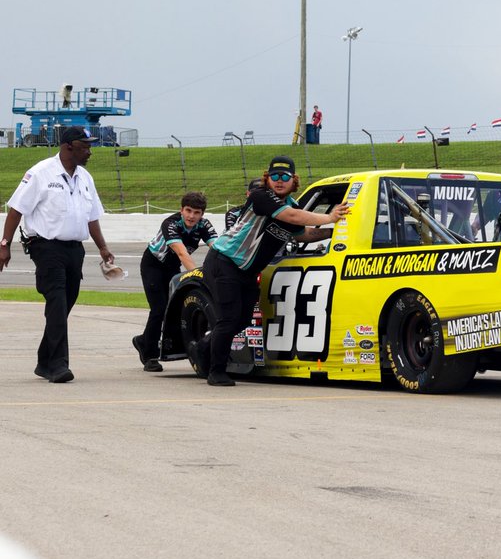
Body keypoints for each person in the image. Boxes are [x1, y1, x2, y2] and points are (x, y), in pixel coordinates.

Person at [199, 155, 349, 387]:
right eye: (274, 176)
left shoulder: (293, 206)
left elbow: (303, 234)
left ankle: (204, 349)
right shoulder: (261, 196)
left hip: (246, 271)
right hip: (224, 261)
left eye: (285, 177)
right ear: (267, 179)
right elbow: (289, 217)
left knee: (241, 320)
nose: (279, 181)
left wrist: (334, 231)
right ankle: (215, 372)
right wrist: (329, 216)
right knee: (229, 319)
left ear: (293, 180)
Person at [0, 126, 115, 383]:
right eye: (85, 146)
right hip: (46, 247)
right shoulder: (40, 173)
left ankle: (44, 361)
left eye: (90, 146)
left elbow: (92, 216)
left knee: (65, 305)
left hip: (75, 250)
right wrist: (4, 244)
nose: (90, 152)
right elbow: (16, 209)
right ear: (68, 147)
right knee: (57, 302)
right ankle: (58, 366)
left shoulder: (85, 177)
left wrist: (103, 247)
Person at [132, 192, 218, 373]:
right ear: (181, 210)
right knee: (159, 309)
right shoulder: (171, 223)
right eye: (188, 211)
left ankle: (143, 340)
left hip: (172, 266)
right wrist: (199, 277)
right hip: (153, 265)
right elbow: (182, 253)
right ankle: (150, 356)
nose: (191, 216)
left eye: (196, 212)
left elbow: (217, 249)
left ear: (202, 214)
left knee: (172, 309)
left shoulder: (204, 225)